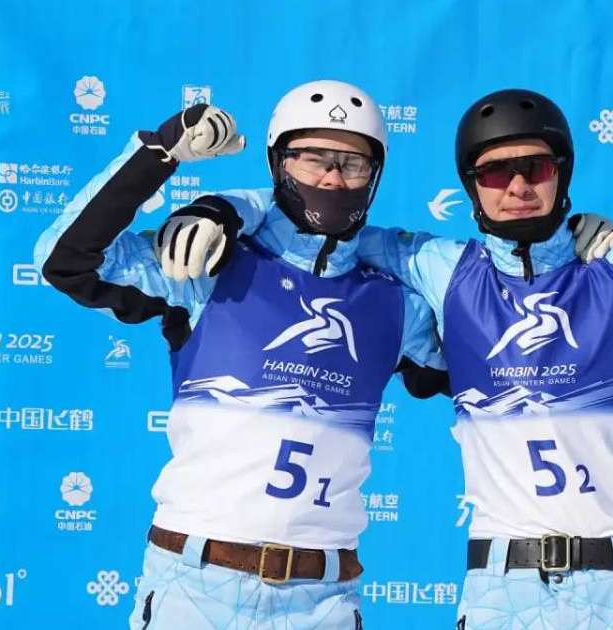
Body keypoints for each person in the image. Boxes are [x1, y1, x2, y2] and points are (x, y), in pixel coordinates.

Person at [163, 4, 613, 626]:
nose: (518, 186)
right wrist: (224, 207)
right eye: (494, 173)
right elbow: (316, 218)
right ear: (471, 188)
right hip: (501, 597)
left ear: (564, 173)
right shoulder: (441, 271)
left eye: (535, 167)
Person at [35, 80, 446, 629]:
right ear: (278, 163)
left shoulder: (397, 306)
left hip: (320, 601)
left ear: (375, 175)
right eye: (312, 158)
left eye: (352, 163)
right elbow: (65, 261)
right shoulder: (208, 262)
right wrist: (161, 154)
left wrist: (576, 255)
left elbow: (503, 365)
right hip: (195, 587)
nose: (331, 177)